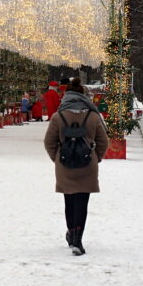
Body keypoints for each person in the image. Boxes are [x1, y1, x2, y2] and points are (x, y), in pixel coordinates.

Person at [44, 77, 109, 256]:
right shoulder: (93, 116)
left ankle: (71, 234)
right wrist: (97, 158)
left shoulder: (58, 116)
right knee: (82, 202)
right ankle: (78, 239)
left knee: (69, 201)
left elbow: (49, 142)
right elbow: (103, 142)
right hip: (88, 164)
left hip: (64, 164)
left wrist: (56, 158)